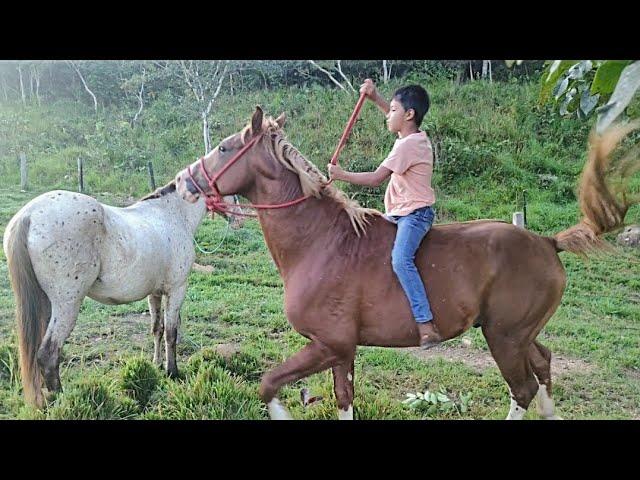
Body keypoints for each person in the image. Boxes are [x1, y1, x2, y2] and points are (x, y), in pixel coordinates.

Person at [328, 79, 442, 349]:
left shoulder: (407, 146)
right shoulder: (411, 136)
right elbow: (396, 118)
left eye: (392, 110)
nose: (387, 115)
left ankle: (426, 325)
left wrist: (341, 175)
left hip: (414, 215)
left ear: (409, 115)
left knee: (401, 260)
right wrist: (375, 98)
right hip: (397, 213)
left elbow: (376, 179)